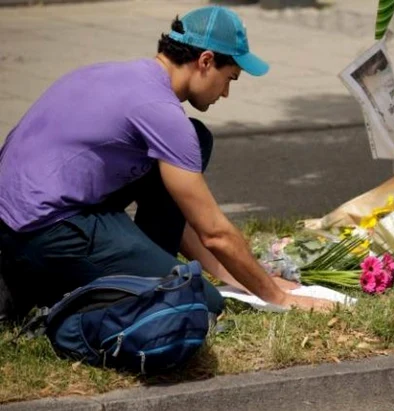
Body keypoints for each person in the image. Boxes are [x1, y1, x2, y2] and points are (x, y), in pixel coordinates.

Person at [0, 5, 336, 322]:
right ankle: (51, 291)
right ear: (205, 61)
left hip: (18, 220)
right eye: (230, 78)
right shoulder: (160, 111)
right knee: (198, 299)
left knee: (196, 137)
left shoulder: (113, 73)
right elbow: (214, 232)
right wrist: (277, 296)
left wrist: (233, 276)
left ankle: (74, 271)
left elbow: (184, 216)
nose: (226, 93)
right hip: (46, 230)